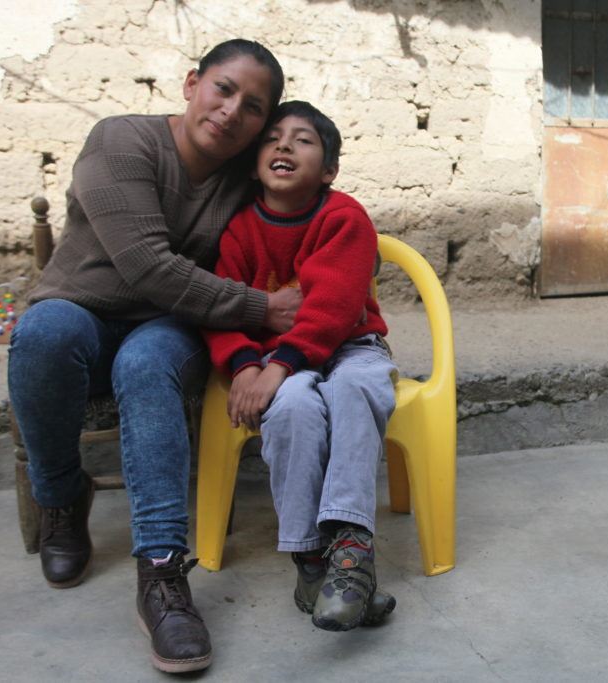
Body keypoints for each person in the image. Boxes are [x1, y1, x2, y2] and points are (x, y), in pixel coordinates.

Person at [7, 39, 298, 674]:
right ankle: (61, 499)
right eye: (223, 89)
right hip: (83, 309)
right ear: (192, 82)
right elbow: (148, 267)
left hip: (170, 326)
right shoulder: (121, 141)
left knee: (144, 366)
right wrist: (263, 307)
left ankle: (163, 575)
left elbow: (301, 203)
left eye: (253, 107)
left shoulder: (242, 175)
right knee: (43, 333)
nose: (231, 112)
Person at [202, 100, 398, 632]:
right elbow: (219, 309)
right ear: (254, 162)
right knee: (288, 408)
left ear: (329, 169)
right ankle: (312, 562)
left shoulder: (343, 217)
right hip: (272, 362)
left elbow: (333, 308)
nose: (284, 145)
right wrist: (244, 366)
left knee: (355, 389)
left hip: (352, 347)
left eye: (303, 139)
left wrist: (277, 365)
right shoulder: (239, 231)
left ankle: (352, 550)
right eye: (272, 138)